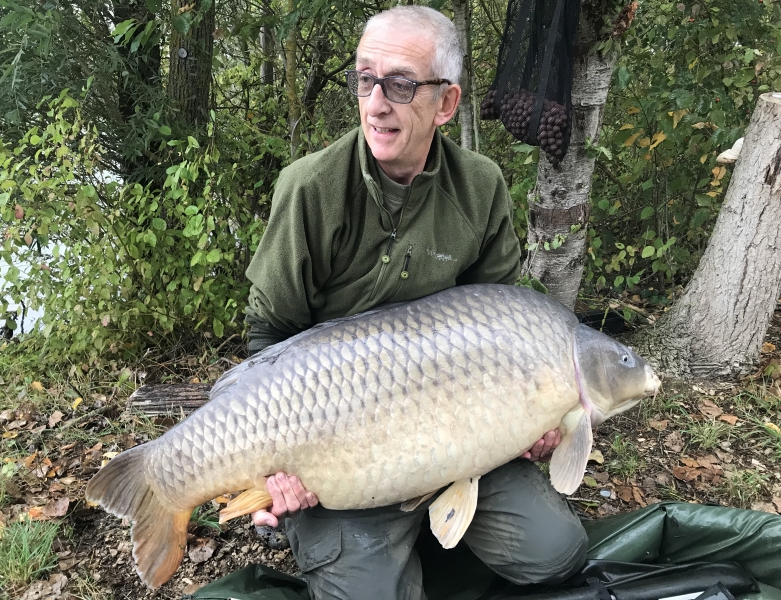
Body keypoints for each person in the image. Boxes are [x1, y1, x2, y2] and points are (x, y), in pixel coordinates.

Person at [242, 6, 587, 599]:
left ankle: (424, 528)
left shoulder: (480, 187)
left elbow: (508, 328)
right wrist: (274, 471)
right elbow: (267, 339)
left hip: (454, 433)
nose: (376, 102)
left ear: (445, 104)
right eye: (365, 78)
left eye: (401, 84)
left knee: (557, 553)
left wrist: (534, 419)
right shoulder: (310, 189)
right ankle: (372, 540)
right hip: (341, 448)